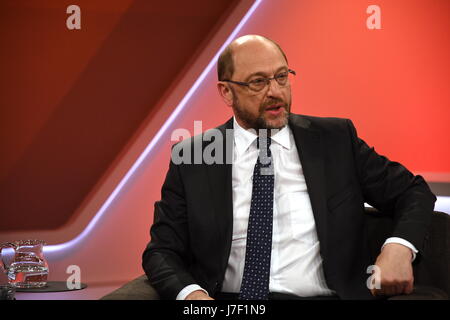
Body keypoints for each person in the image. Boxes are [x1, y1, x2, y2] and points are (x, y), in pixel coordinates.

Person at [142, 35, 436, 300]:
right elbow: (162, 250)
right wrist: (193, 296)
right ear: (226, 92)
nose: (275, 91)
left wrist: (398, 246)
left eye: (281, 77)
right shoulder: (194, 156)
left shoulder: (335, 140)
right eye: (258, 82)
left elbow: (413, 191)